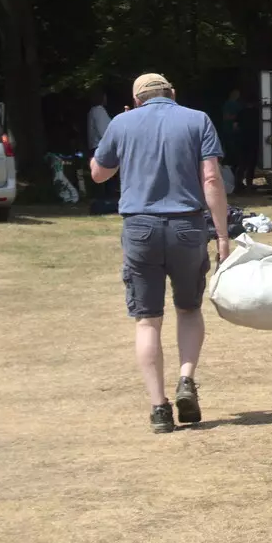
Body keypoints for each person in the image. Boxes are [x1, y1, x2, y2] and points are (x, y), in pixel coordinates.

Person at [88, 73, 228, 433]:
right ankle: (186, 378)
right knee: (189, 308)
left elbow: (99, 174)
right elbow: (211, 179)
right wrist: (223, 234)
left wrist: (122, 138)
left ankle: (159, 408)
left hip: (140, 227)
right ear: (173, 93)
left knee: (148, 319)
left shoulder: (121, 122)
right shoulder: (198, 119)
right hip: (187, 226)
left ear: (137, 100)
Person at [221, 87, 256, 194]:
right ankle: (249, 184)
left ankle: (238, 184)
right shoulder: (257, 113)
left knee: (242, 163)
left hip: (242, 141)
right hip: (254, 141)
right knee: (251, 164)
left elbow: (235, 126)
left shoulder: (241, 113)